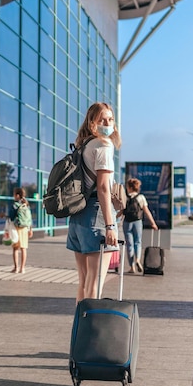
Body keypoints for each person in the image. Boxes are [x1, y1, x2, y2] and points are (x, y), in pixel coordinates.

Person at [66, 102, 121, 302]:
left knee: (84, 282)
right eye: (102, 120)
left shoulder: (83, 146)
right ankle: (91, 332)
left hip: (78, 216)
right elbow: (104, 188)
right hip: (96, 215)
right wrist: (110, 225)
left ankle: (81, 330)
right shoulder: (103, 145)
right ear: (92, 123)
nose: (108, 123)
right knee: (95, 283)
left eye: (111, 119)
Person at [118, 178, 158, 273]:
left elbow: (121, 212)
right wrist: (153, 223)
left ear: (129, 187)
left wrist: (112, 220)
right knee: (138, 242)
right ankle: (138, 259)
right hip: (137, 222)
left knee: (129, 245)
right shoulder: (141, 197)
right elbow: (146, 211)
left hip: (127, 222)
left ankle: (132, 267)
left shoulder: (125, 197)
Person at [10, 187, 33, 273]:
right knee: (24, 248)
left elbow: (11, 217)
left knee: (15, 248)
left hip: (16, 228)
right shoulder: (26, 204)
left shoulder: (15, 205)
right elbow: (29, 218)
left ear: (17, 195)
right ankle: (22, 268)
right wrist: (30, 229)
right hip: (25, 229)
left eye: (14, 194)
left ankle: (16, 268)